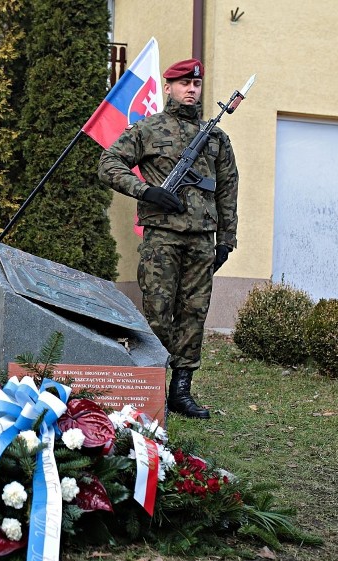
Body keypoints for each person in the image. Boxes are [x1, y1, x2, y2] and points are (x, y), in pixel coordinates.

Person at [97, 58, 238, 419]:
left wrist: (226, 239)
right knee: (157, 314)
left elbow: (227, 190)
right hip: (162, 238)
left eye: (197, 84)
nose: (192, 90)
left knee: (193, 314)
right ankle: (151, 389)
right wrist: (146, 192)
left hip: (203, 239)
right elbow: (109, 164)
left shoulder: (216, 137)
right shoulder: (147, 129)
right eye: (184, 84)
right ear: (170, 87)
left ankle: (181, 393)